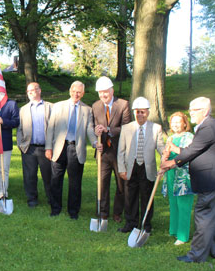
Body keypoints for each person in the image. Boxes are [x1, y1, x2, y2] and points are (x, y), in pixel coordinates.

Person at [161, 97, 215, 263]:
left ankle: (196, 255)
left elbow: (192, 151)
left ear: (205, 111)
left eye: (195, 110)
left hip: (212, 180)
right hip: (214, 180)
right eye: (190, 109)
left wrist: (172, 163)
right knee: (213, 218)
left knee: (203, 216)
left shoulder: (208, 126)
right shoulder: (207, 126)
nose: (191, 113)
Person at [45, 81, 97, 219]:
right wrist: (48, 147)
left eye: (79, 92)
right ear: (70, 91)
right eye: (74, 91)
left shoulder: (87, 110)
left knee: (75, 183)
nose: (76, 94)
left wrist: (95, 142)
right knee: (56, 179)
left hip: (76, 148)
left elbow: (90, 129)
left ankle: (73, 211)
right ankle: (55, 209)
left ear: (83, 93)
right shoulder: (57, 106)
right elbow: (50, 128)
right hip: (59, 148)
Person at [117, 97, 164, 233]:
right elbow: (121, 151)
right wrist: (121, 169)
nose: (140, 115)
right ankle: (130, 223)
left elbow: (160, 146)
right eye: (137, 112)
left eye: (142, 112)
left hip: (147, 167)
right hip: (131, 167)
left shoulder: (156, 128)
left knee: (146, 195)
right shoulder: (126, 128)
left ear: (148, 112)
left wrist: (164, 155)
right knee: (130, 196)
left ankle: (145, 224)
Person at [92, 76, 131, 223]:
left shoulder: (123, 105)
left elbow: (127, 128)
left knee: (121, 184)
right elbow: (92, 127)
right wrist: (97, 137)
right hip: (103, 151)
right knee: (102, 183)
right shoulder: (95, 106)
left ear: (112, 90)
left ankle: (117, 212)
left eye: (105, 92)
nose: (103, 95)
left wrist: (108, 129)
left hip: (119, 151)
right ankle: (103, 212)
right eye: (100, 93)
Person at [16, 82, 53, 208]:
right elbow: (19, 129)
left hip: (46, 148)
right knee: (29, 175)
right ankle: (32, 199)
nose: (31, 92)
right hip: (29, 148)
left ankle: (51, 198)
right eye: (29, 91)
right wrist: (21, 145)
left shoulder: (50, 107)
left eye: (34, 89)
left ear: (39, 90)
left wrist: (51, 146)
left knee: (48, 175)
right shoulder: (23, 109)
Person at [161, 112, 194, 245]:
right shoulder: (171, 137)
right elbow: (166, 156)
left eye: (178, 122)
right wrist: (164, 157)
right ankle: (174, 230)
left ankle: (183, 235)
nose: (175, 124)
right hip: (171, 174)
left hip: (183, 176)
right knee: (173, 203)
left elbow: (189, 154)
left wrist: (174, 148)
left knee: (183, 204)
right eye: (172, 122)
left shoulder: (190, 137)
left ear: (185, 123)